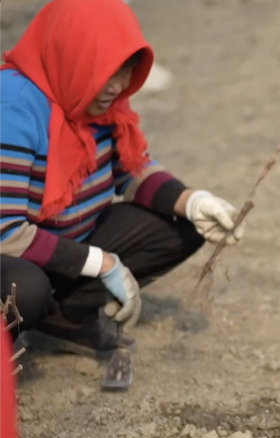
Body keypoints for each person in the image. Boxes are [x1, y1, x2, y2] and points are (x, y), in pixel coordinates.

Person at [0, 0, 245, 358]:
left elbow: (129, 172)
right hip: (11, 252)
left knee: (183, 224)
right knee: (25, 291)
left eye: (125, 69)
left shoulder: (92, 97)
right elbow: (4, 232)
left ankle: (66, 316)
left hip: (58, 246)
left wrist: (193, 201)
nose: (117, 87)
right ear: (71, 55)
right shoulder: (14, 107)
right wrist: (103, 263)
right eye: (105, 70)